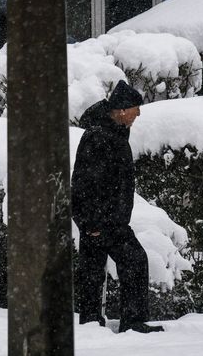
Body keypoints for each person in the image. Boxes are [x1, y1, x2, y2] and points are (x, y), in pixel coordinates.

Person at [71, 80, 164, 333]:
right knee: (134, 261)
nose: (139, 113)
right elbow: (84, 182)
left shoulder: (110, 132)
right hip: (104, 220)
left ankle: (91, 324)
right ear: (122, 110)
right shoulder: (100, 136)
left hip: (106, 219)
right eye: (136, 108)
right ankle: (131, 322)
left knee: (92, 271)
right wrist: (91, 222)